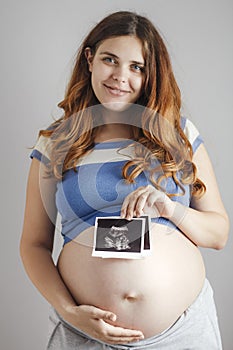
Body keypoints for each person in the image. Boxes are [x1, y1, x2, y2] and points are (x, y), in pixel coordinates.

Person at [20, 10, 229, 350]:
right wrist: (69, 311)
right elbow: (33, 245)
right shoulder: (56, 143)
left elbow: (219, 233)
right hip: (85, 333)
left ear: (151, 75)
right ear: (90, 59)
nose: (120, 76)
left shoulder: (179, 135)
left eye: (137, 67)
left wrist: (169, 209)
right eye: (110, 60)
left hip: (182, 334)